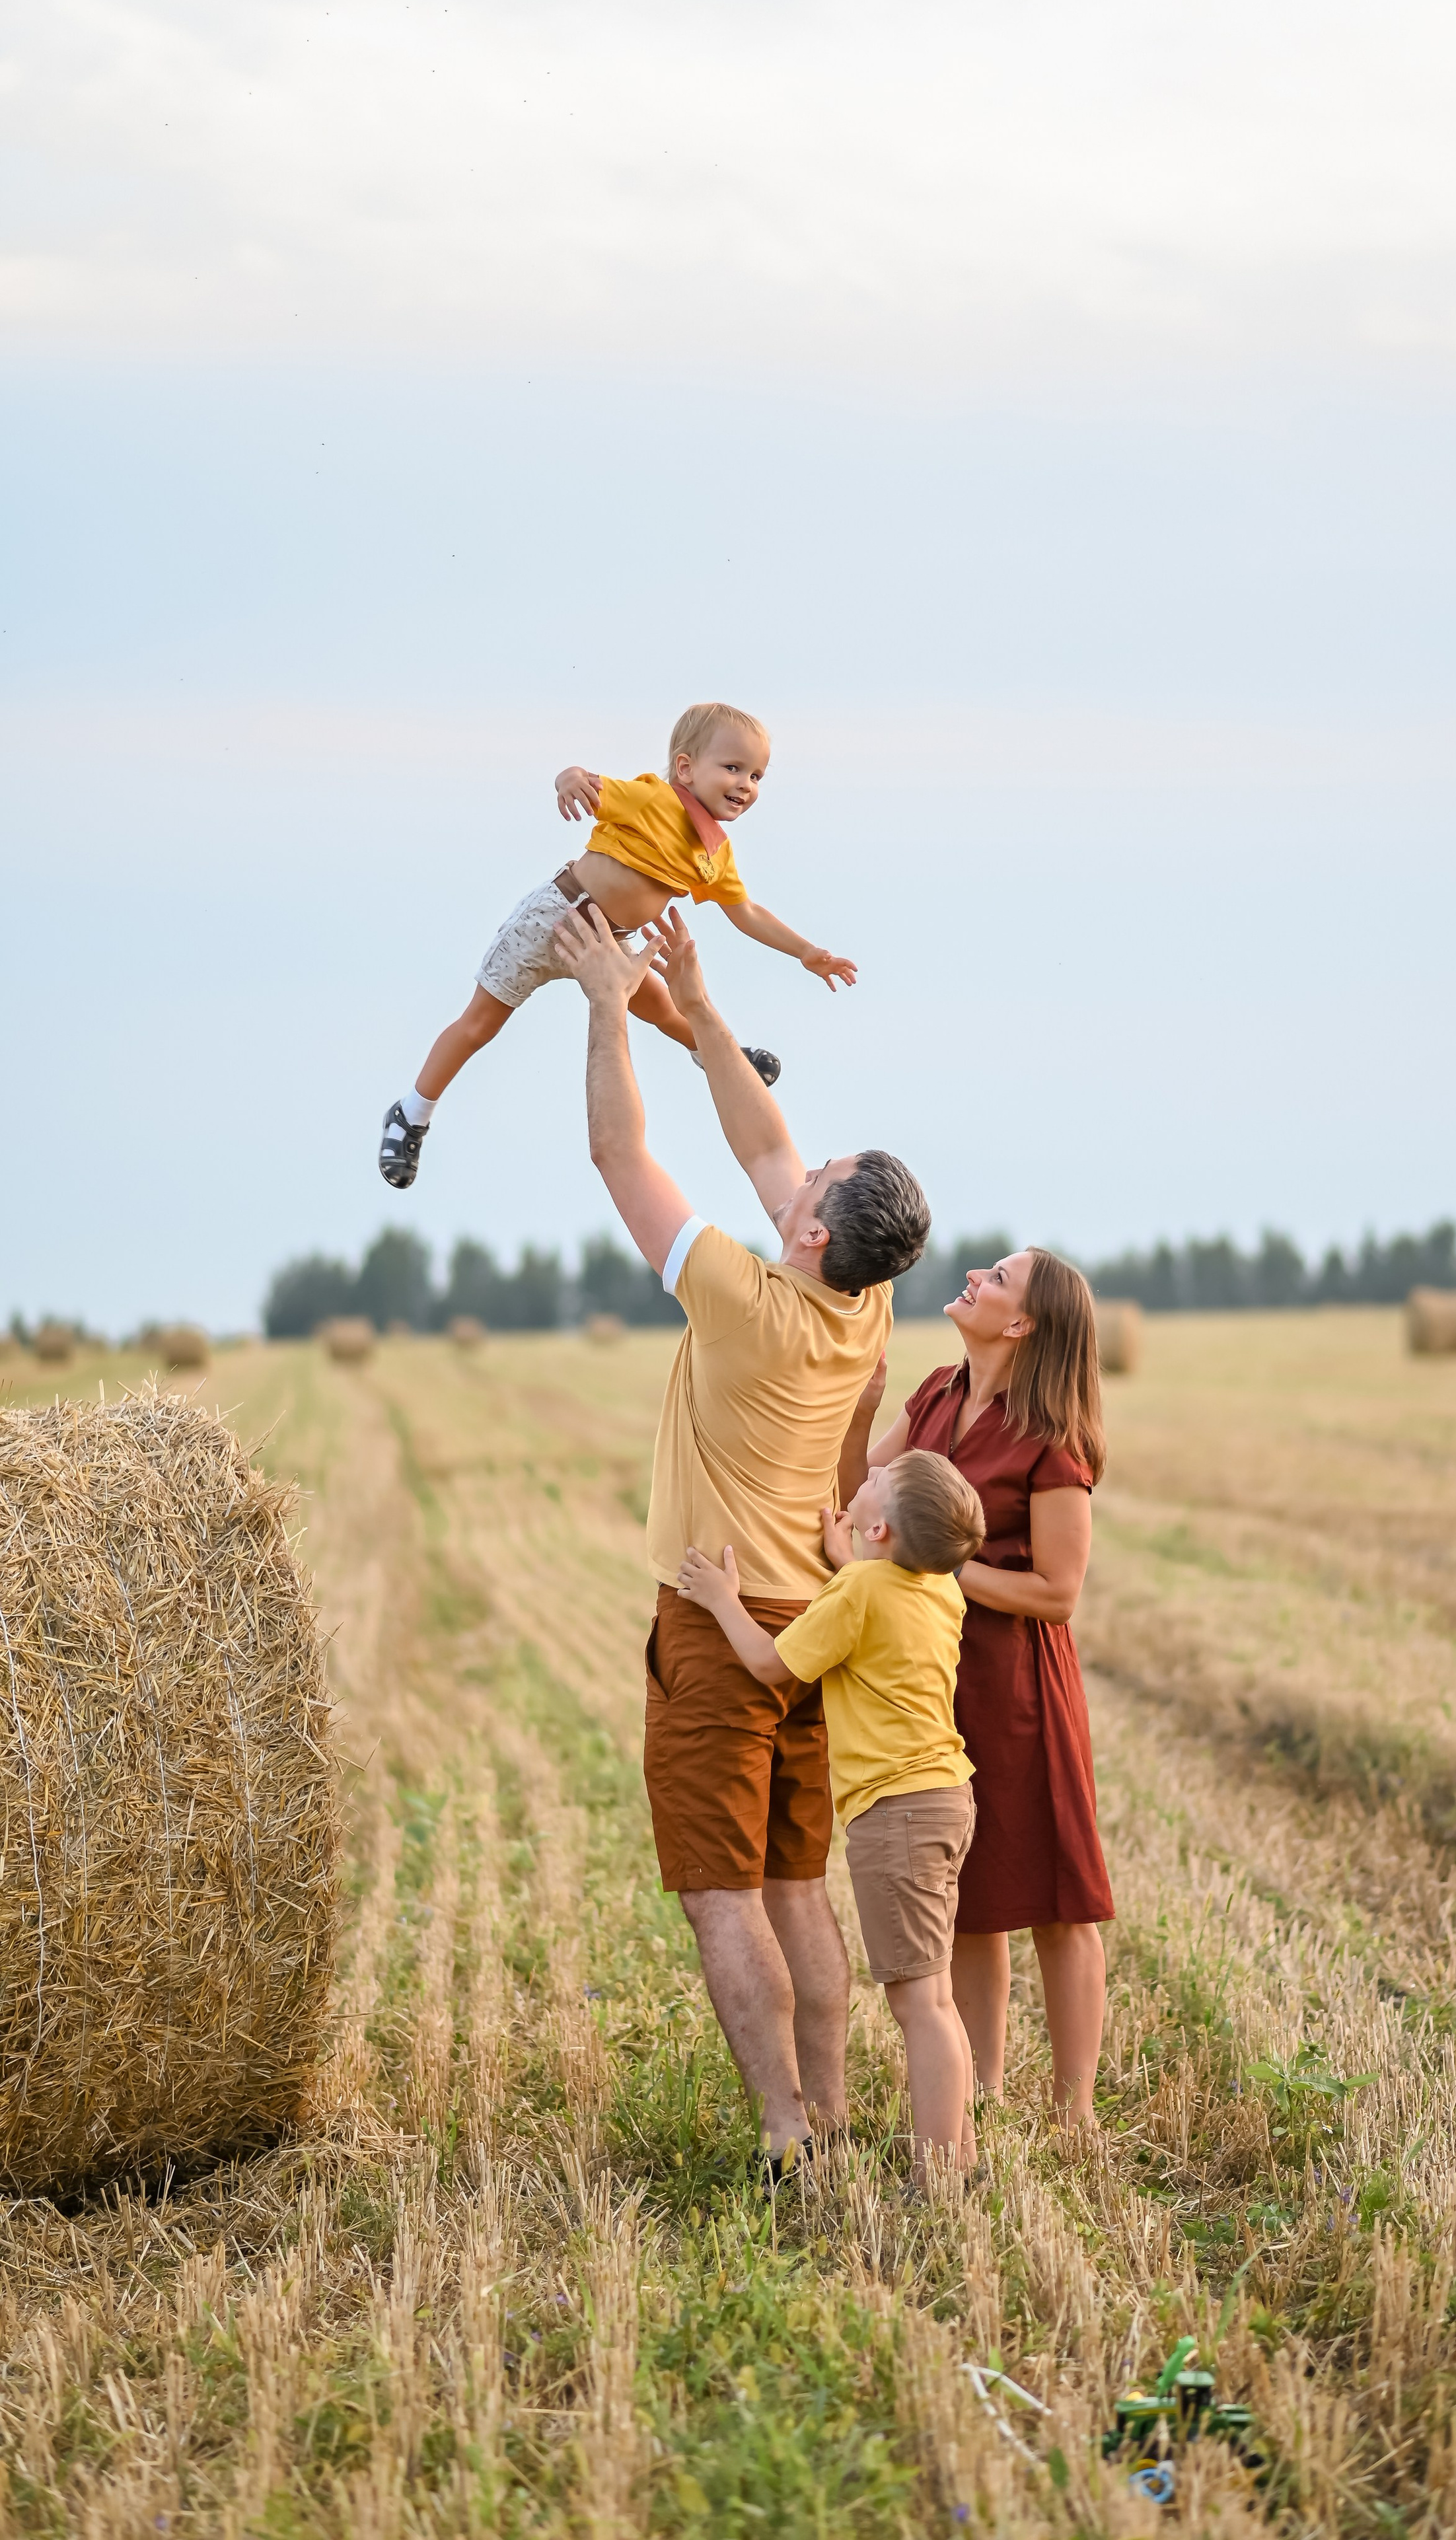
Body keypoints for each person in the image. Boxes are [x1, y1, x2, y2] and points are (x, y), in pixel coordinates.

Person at [548, 897, 929, 2175]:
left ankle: (782, 2132)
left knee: (723, 1892)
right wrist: (702, 1007)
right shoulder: (861, 1304)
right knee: (792, 1888)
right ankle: (826, 2110)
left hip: (719, 1631)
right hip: (807, 1629)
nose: (798, 1167)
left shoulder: (743, 1295)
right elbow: (767, 1140)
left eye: (814, 1182)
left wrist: (611, 1004)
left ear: (813, 1231)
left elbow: (621, 1157)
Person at [838, 1249, 1114, 2125]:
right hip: (933, 1676)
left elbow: (1057, 1594)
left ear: (1023, 1323)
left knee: (1061, 1905)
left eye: (996, 1279)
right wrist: (860, 1416)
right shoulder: (933, 1396)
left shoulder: (1051, 1438)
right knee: (972, 1903)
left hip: (1020, 1689)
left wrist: (943, 1570)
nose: (973, 1278)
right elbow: (858, 1500)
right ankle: (984, 2096)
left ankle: (1076, 2115)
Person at [379, 701, 858, 1187]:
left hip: (611, 941)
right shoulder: (653, 799)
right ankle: (411, 1114)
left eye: (757, 776)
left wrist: (805, 951)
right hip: (558, 919)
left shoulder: (714, 852)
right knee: (479, 1023)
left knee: (664, 1006)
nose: (745, 785)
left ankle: (721, 1054)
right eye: (733, 768)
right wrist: (567, 779)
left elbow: (746, 912)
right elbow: (586, 780)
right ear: (687, 769)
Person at [677, 1449, 987, 2184]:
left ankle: (937, 2172)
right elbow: (880, 1589)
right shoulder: (939, 1588)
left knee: (919, 2004)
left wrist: (723, 1597)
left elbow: (769, 1664)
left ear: (879, 1527)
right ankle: (959, 2154)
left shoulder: (859, 1595)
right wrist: (852, 1558)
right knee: (936, 1997)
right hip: (947, 1797)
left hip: (897, 1813)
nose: (860, 1483)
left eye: (872, 1484)